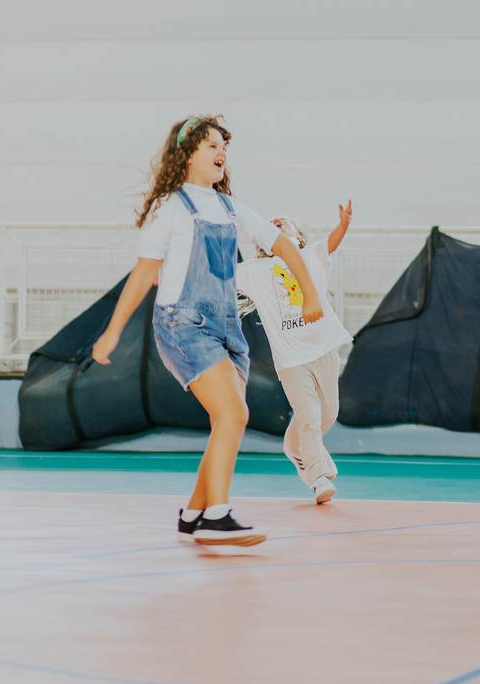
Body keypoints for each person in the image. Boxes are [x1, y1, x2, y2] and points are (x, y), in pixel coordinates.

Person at [92, 115, 323, 546]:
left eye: (224, 147)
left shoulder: (233, 209)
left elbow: (284, 244)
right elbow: (143, 275)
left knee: (227, 419)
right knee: (234, 415)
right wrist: (112, 331)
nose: (221, 153)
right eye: (211, 146)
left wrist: (309, 292)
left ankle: (194, 513)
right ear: (187, 155)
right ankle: (217, 517)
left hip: (227, 329)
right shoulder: (171, 208)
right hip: (184, 326)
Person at [235, 203, 354, 503]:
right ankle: (318, 478)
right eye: (271, 224)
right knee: (310, 416)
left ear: (298, 237)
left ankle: (294, 445)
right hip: (291, 361)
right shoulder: (257, 272)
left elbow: (332, 242)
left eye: (284, 222)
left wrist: (343, 224)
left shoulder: (310, 256)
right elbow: (220, 274)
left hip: (324, 350)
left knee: (328, 414)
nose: (277, 222)